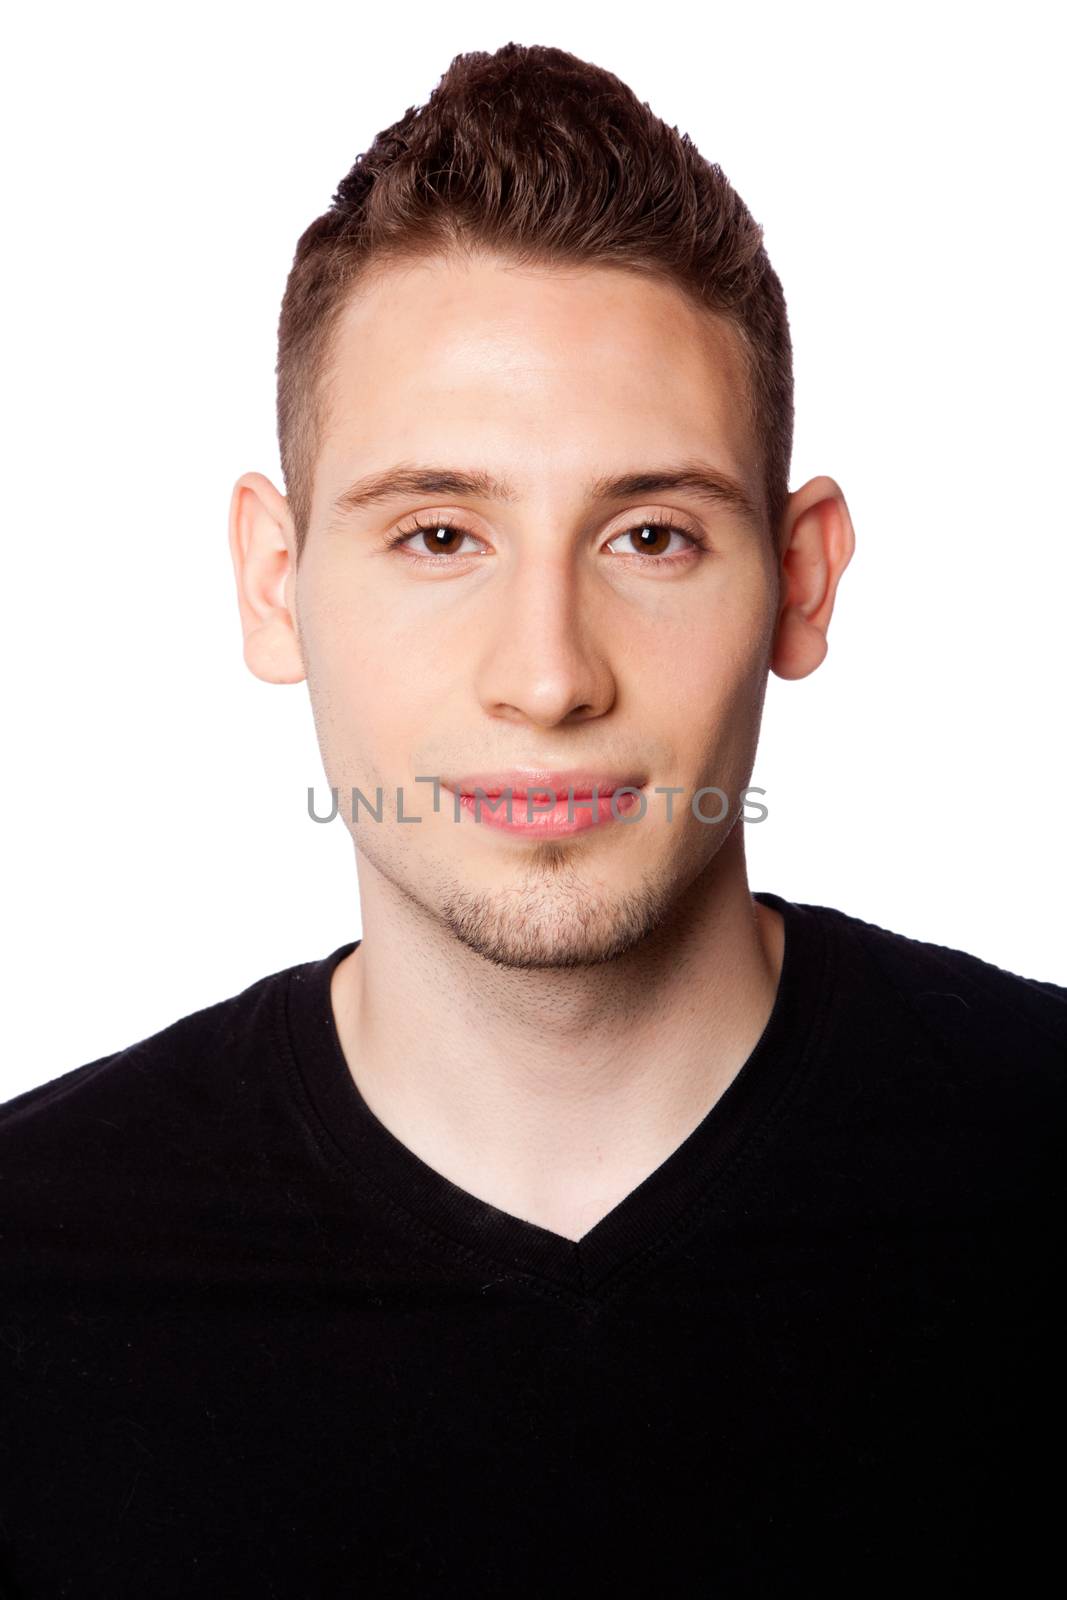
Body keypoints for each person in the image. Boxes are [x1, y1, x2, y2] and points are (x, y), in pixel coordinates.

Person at [1, 40, 1063, 1596]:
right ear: (274, 582)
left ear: (803, 577)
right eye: (440, 533)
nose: (549, 676)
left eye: (650, 534)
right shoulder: (37, 1269)